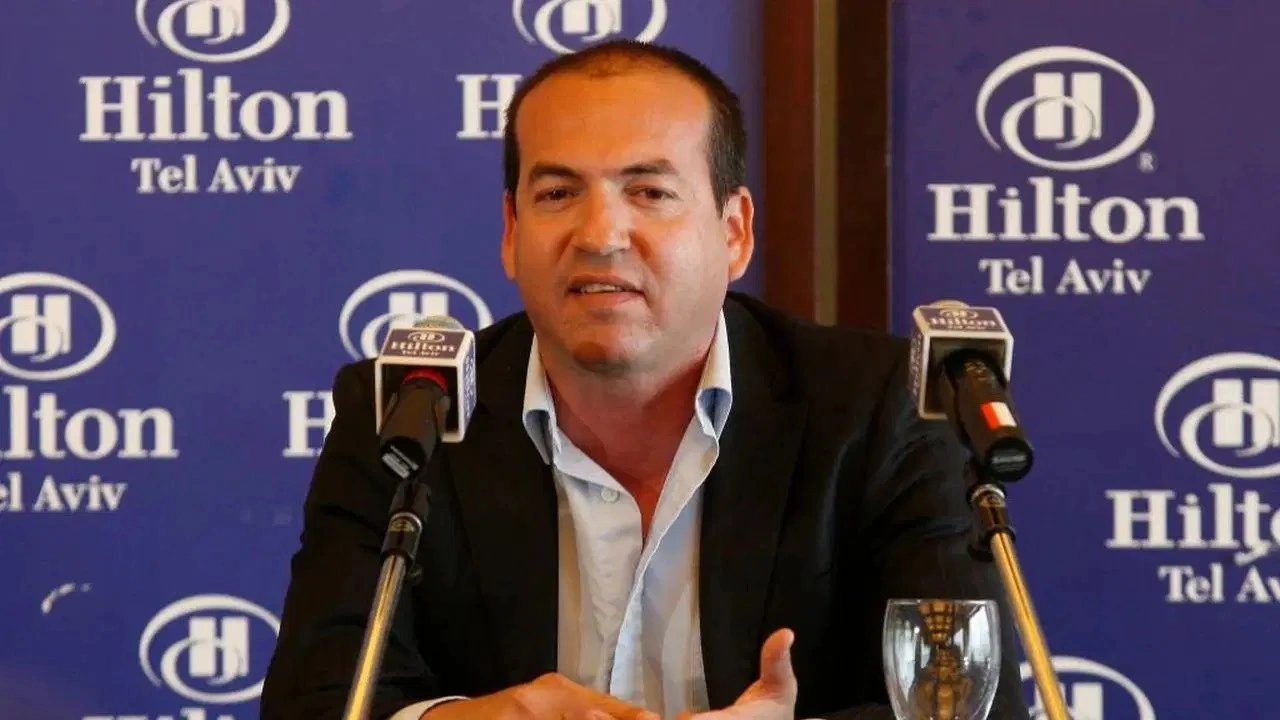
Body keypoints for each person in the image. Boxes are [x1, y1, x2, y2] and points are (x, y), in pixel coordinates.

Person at [260, 39, 1030, 720]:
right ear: (511, 232)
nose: (600, 235)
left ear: (734, 232)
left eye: (650, 192)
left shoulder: (881, 408)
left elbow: (972, 706)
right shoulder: (410, 409)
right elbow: (316, 701)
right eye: (558, 193)